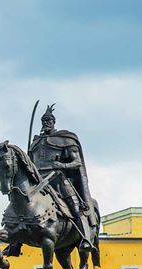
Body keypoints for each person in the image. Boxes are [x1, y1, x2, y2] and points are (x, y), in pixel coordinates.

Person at [28, 104, 94, 250]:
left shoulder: (65, 139)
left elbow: (77, 162)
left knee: (76, 208)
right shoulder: (36, 142)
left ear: (53, 122)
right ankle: (15, 244)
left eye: (49, 120)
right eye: (44, 120)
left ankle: (85, 239)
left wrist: (61, 165)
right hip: (38, 183)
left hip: (57, 179)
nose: (46, 123)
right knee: (22, 203)